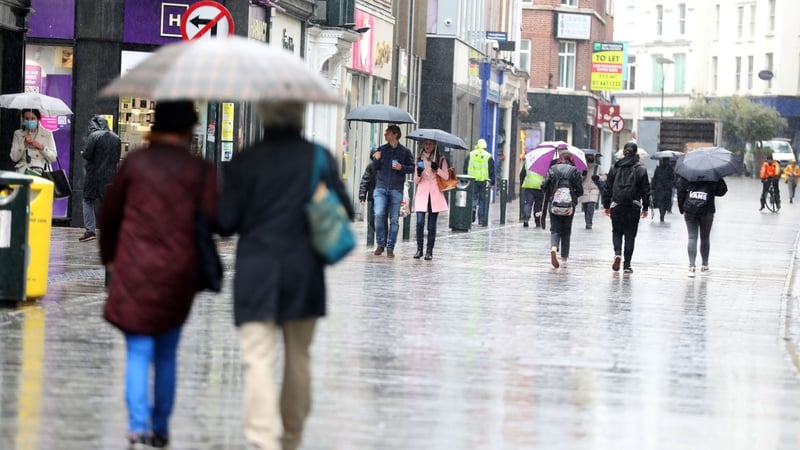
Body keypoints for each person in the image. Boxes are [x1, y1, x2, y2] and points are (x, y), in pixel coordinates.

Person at [217, 100, 354, 450]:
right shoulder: (319, 157)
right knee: (299, 357)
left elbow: (225, 222)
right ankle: (291, 437)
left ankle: (264, 440)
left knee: (257, 360)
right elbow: (347, 210)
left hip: (256, 272)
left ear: (263, 116)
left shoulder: (246, 161)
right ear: (300, 117)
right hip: (303, 271)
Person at [99, 101, 217, 449]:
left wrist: (110, 258)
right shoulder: (199, 169)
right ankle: (160, 427)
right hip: (179, 273)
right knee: (166, 353)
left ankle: (137, 425)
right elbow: (213, 219)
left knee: (137, 349)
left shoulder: (135, 163)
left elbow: (110, 214)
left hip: (135, 266)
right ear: (188, 130)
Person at [602, 141, 651, 274]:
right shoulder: (641, 170)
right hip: (633, 206)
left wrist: (606, 205)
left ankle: (617, 253)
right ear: (636, 154)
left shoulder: (614, 168)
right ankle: (627, 265)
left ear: (623, 152)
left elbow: (607, 188)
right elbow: (646, 191)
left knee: (617, 232)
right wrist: (646, 207)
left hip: (617, 205)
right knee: (630, 235)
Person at [371, 124, 414, 257]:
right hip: (381, 187)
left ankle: (390, 247)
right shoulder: (382, 150)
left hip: (396, 188)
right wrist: (375, 159)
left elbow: (412, 168)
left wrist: (402, 167)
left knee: (394, 220)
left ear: (395, 135)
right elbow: (374, 168)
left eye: (387, 133)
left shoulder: (405, 152)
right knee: (378, 215)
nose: (385, 135)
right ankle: (380, 244)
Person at [79, 115, 121, 242]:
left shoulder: (94, 136)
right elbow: (117, 157)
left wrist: (83, 153)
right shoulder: (116, 137)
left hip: (94, 175)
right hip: (110, 175)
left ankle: (90, 230)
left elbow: (87, 154)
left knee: (87, 200)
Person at [676, 175, 728, 277]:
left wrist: (682, 208)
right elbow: (722, 190)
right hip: (707, 209)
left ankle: (692, 266)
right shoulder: (712, 174)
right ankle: (705, 265)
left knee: (692, 237)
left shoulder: (688, 172)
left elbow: (680, 191)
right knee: (705, 237)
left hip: (690, 209)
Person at [541, 148, 583, 268]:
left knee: (555, 229)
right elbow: (580, 190)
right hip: (569, 206)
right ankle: (564, 258)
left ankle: (554, 247)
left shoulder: (553, 169)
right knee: (566, 231)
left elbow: (544, 185)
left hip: (554, 204)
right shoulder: (574, 171)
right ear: (571, 159)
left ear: (560, 158)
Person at [413, 139, 449, 260]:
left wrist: (436, 169)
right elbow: (415, 181)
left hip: (434, 194)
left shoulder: (441, 159)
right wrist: (418, 173)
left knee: (431, 226)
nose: (427, 146)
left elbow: (446, 176)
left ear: (434, 145)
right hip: (422, 193)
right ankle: (419, 249)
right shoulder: (419, 159)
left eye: (430, 144)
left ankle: (429, 251)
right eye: (426, 143)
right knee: (419, 222)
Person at [9, 108, 57, 175]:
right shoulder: (18, 134)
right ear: (23, 119)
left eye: (32, 118)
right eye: (27, 118)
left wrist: (41, 147)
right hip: (23, 172)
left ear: (38, 119)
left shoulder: (47, 134)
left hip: (42, 172)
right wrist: (24, 145)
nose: (29, 121)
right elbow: (14, 157)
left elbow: (53, 157)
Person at [358, 148, 387, 245]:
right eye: (375, 155)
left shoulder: (385, 166)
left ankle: (383, 242)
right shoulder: (370, 167)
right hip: (372, 197)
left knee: (383, 219)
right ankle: (379, 238)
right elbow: (365, 181)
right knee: (371, 220)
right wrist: (362, 196)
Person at [464, 138, 495, 225]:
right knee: (482, 200)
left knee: (473, 197)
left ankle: (472, 210)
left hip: (472, 180)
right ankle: (481, 219)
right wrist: (492, 183)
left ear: (477, 145)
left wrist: (465, 178)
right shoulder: (488, 156)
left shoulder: (470, 154)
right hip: (484, 181)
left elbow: (465, 167)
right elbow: (491, 170)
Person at [577, 152, 606, 229]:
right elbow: (578, 179)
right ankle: (587, 221)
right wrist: (583, 174)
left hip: (594, 188)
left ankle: (589, 223)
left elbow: (604, 177)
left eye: (591, 156)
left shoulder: (597, 167)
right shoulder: (583, 167)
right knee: (586, 206)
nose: (590, 157)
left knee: (591, 205)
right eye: (588, 156)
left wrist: (598, 177)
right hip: (584, 189)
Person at [650, 158, 675, 223]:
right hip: (659, 189)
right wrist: (652, 188)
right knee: (661, 203)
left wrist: (670, 184)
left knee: (664, 202)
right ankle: (662, 214)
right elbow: (654, 179)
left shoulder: (670, 169)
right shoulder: (658, 169)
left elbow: (672, 179)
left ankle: (662, 214)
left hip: (666, 189)